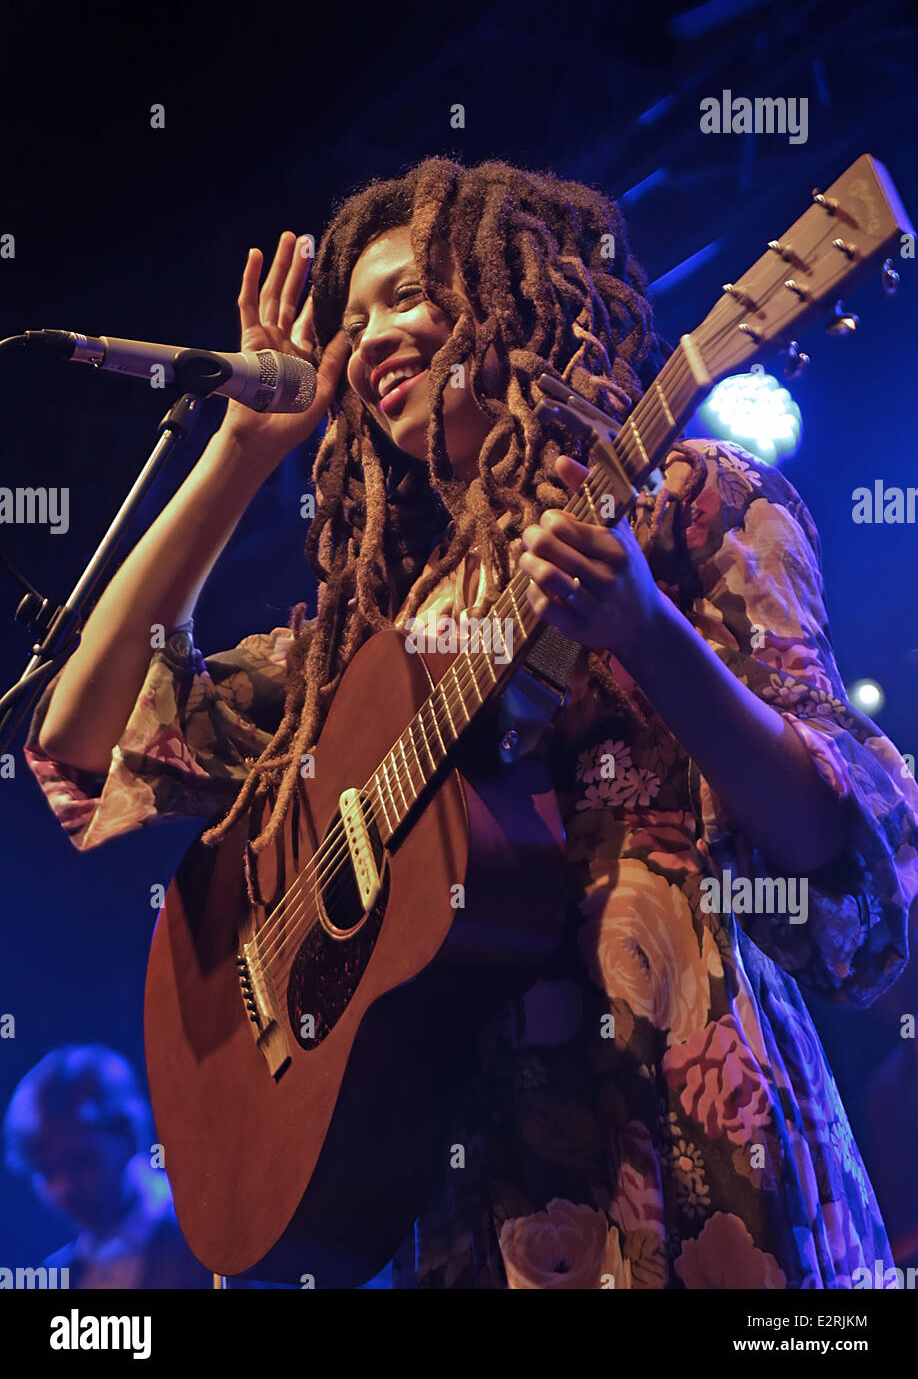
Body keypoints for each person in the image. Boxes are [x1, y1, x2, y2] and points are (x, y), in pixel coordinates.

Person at [25, 156, 918, 1289]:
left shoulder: (684, 499)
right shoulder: (367, 641)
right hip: (459, 1198)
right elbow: (85, 737)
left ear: (520, 291)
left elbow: (844, 856)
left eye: (409, 294)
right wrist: (241, 453)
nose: (374, 334)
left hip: (689, 1149)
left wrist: (649, 630)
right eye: (353, 319)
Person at [3, 1044, 213, 1288]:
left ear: (130, 1135)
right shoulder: (54, 1276)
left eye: (80, 1161)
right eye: (46, 1172)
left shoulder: (211, 1237)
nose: (63, 1189)